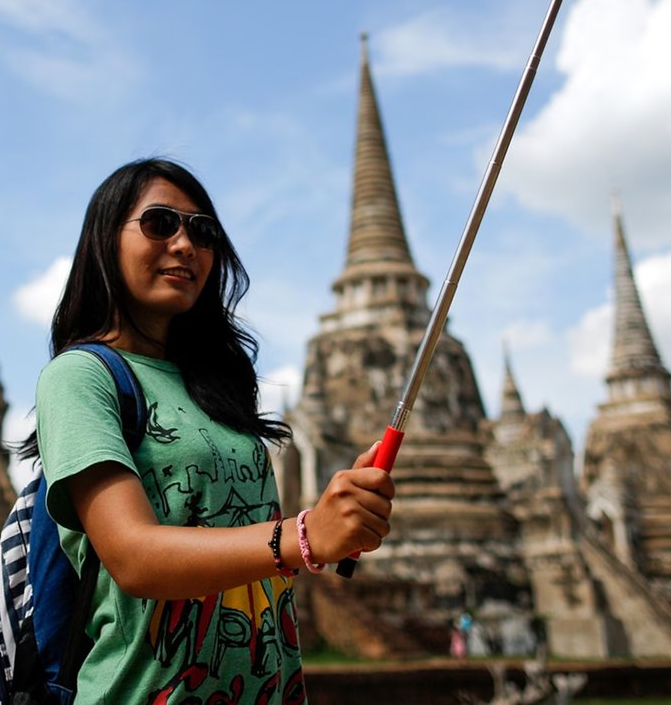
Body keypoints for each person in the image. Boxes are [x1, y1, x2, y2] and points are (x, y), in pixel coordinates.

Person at [22, 157, 396, 704]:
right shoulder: (80, 376)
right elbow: (133, 557)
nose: (184, 244)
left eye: (203, 232)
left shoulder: (218, 391)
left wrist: (342, 517)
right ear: (106, 240)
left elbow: (247, 542)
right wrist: (305, 534)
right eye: (160, 223)